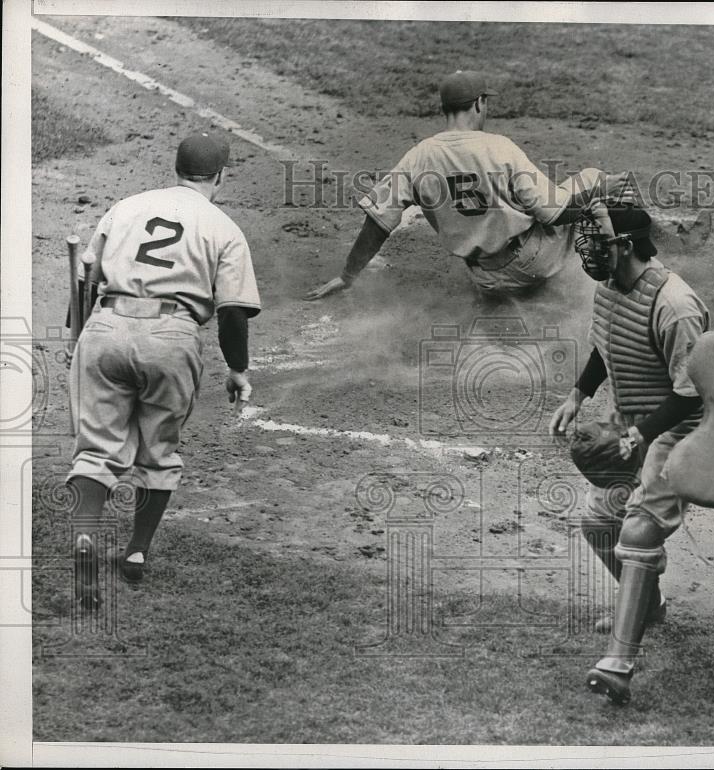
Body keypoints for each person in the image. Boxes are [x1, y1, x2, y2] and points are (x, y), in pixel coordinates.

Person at [68, 132, 261, 609]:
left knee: (95, 450)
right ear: (220, 176)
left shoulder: (125, 207)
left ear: (174, 168)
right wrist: (238, 370)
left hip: (105, 325)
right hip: (171, 336)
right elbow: (233, 311)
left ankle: (86, 538)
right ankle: (136, 553)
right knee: (158, 453)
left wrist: (79, 337)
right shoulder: (223, 226)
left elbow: (84, 279)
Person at [547, 201, 710, 704]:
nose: (589, 250)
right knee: (600, 524)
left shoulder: (676, 306)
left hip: (679, 432)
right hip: (635, 424)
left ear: (627, 245)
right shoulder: (612, 289)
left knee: (637, 530)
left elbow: (694, 391)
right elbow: (606, 344)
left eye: (599, 241)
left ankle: (619, 661)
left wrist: (643, 436)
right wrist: (578, 393)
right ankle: (650, 603)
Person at [304, 70, 632, 301]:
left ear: (445, 109)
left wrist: (348, 276)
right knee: (590, 179)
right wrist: (597, 193)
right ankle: (636, 258)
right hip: (534, 265)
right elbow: (554, 214)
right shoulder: (499, 147)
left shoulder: (418, 157)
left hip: (487, 282)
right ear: (478, 104)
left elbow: (377, 223)